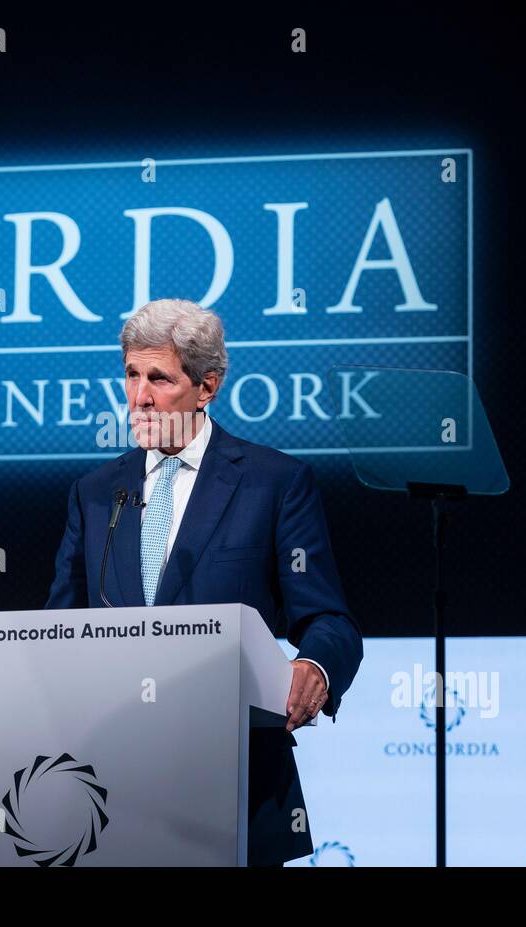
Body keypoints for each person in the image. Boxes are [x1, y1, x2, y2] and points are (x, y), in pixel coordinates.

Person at [44, 298, 362, 866]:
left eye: (159, 379)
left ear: (207, 386)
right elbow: (59, 632)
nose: (139, 396)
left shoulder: (274, 483)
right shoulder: (95, 494)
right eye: (131, 375)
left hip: (235, 776)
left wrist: (314, 667)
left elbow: (329, 620)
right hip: (112, 785)